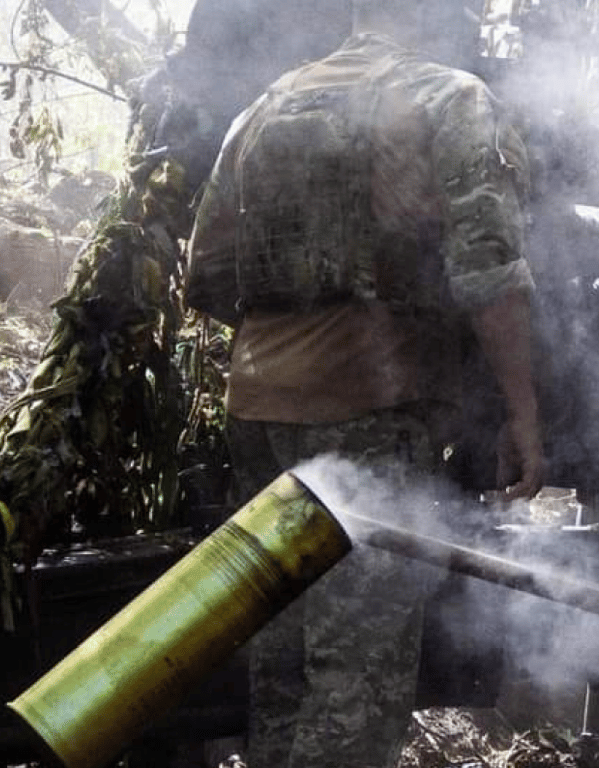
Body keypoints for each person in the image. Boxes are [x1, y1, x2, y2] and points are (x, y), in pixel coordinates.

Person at [183, 0, 543, 765]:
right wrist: (522, 412)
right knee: (357, 678)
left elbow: (205, 273)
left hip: (256, 412)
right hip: (372, 411)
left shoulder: (264, 108)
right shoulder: (448, 97)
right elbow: (490, 271)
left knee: (281, 666)